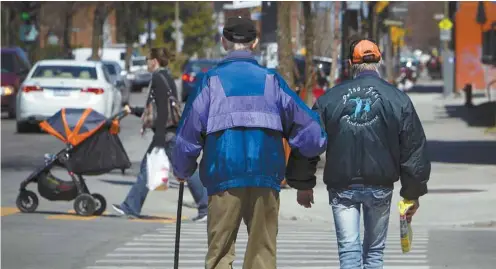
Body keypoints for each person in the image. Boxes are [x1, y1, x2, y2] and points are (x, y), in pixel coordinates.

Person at [172, 16, 327, 269]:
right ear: (255, 43)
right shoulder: (272, 81)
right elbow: (312, 134)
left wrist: (181, 169)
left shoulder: (211, 81)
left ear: (224, 41)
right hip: (265, 175)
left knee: (220, 256)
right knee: (262, 257)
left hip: (223, 176)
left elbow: (188, 135)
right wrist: (306, 156)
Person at [286, 38, 431, 269]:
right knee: (374, 253)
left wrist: (303, 183)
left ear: (350, 64)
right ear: (379, 61)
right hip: (380, 184)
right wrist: (412, 193)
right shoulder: (398, 99)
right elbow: (413, 148)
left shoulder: (329, 100)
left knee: (348, 250)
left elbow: (309, 141)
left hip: (342, 184)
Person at [112, 47, 208, 222]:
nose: (146, 63)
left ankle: (206, 207)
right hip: (170, 132)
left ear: (154, 61)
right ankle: (130, 206)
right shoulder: (167, 76)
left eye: (148, 60)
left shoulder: (157, 77)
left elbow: (163, 110)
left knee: (184, 170)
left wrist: (158, 140)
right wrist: (134, 110)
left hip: (166, 134)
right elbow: (159, 109)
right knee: (148, 169)